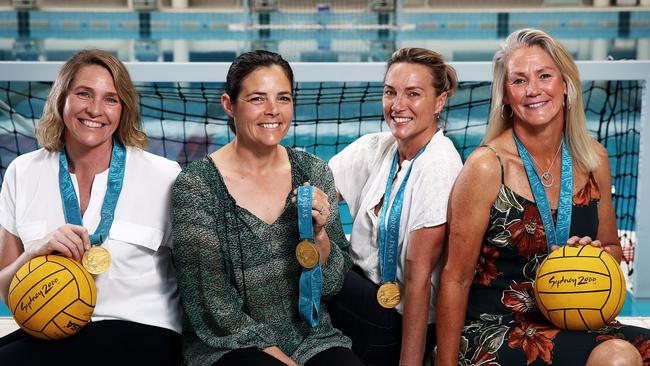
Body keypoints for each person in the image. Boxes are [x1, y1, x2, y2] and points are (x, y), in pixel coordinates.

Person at [434, 28, 649, 366]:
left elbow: (611, 248)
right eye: (518, 81)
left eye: (544, 76)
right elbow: (455, 278)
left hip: (574, 318)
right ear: (505, 95)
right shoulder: (487, 167)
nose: (533, 90)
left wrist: (593, 254)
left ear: (565, 84)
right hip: (498, 327)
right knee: (617, 358)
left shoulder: (594, 160)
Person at [171, 50, 363, 366]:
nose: (273, 111)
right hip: (228, 344)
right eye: (258, 99)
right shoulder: (197, 186)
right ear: (228, 105)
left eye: (283, 98)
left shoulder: (313, 173)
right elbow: (211, 304)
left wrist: (320, 238)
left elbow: (330, 285)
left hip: (311, 340)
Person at [0, 50, 182, 365]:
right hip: (54, 329)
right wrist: (36, 253)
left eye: (111, 99)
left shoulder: (164, 175)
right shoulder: (22, 171)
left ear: (124, 109)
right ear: (62, 99)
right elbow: (6, 290)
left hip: (142, 331)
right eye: (84, 94)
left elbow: (198, 278)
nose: (95, 110)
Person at [327, 48, 463, 366]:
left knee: (313, 267)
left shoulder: (439, 166)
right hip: (366, 294)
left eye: (413, 94)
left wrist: (409, 363)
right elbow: (316, 189)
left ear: (439, 101)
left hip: (396, 324)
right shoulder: (379, 147)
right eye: (390, 92)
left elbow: (418, 281)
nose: (398, 106)